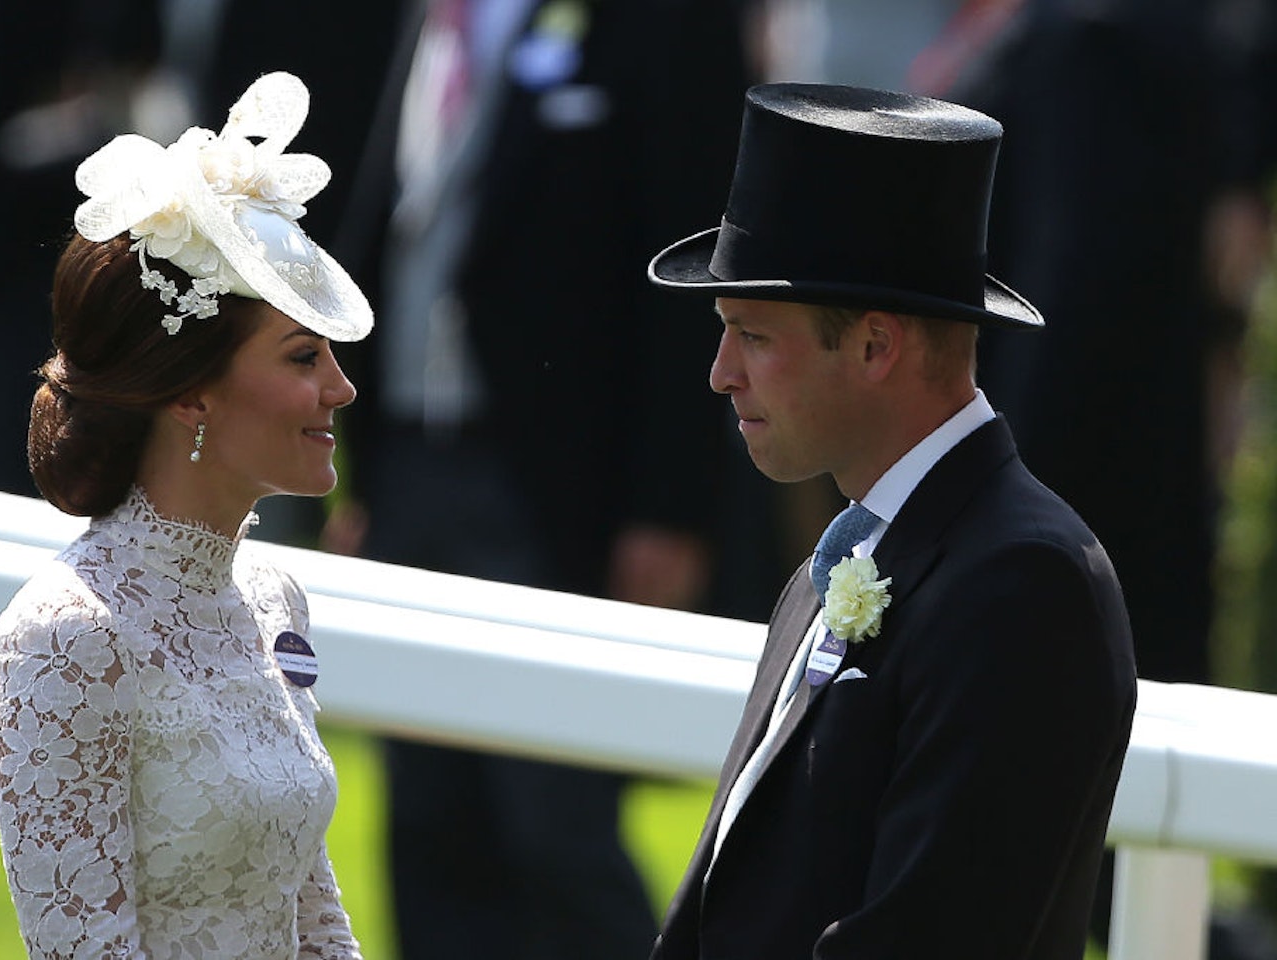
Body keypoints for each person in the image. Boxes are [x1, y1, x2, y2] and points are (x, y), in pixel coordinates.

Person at [644, 83, 1137, 959]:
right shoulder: (843, 562)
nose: (721, 373)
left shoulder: (1024, 583)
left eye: (753, 335)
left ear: (876, 346)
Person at [329, 2, 761, 958]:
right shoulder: (429, 18)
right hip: (411, 463)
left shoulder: (660, 22)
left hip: (556, 488)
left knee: (554, 827)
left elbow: (693, 261)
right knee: (427, 817)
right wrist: (359, 477)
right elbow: (396, 225)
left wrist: (669, 506)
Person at [0, 72, 372, 960]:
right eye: (304, 356)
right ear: (191, 390)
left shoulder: (273, 598)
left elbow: (313, 911)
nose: (340, 389)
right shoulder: (67, 635)